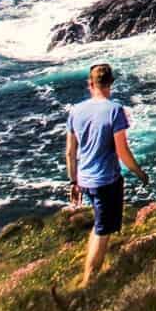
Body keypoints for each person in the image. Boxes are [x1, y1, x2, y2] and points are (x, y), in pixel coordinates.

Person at [65, 62, 149, 288]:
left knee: (99, 226)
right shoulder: (115, 110)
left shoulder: (76, 111)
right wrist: (139, 172)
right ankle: (88, 283)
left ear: (90, 84)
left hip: (84, 180)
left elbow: (71, 152)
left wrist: (73, 182)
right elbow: (122, 151)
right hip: (106, 182)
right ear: (110, 83)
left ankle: (87, 275)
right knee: (103, 231)